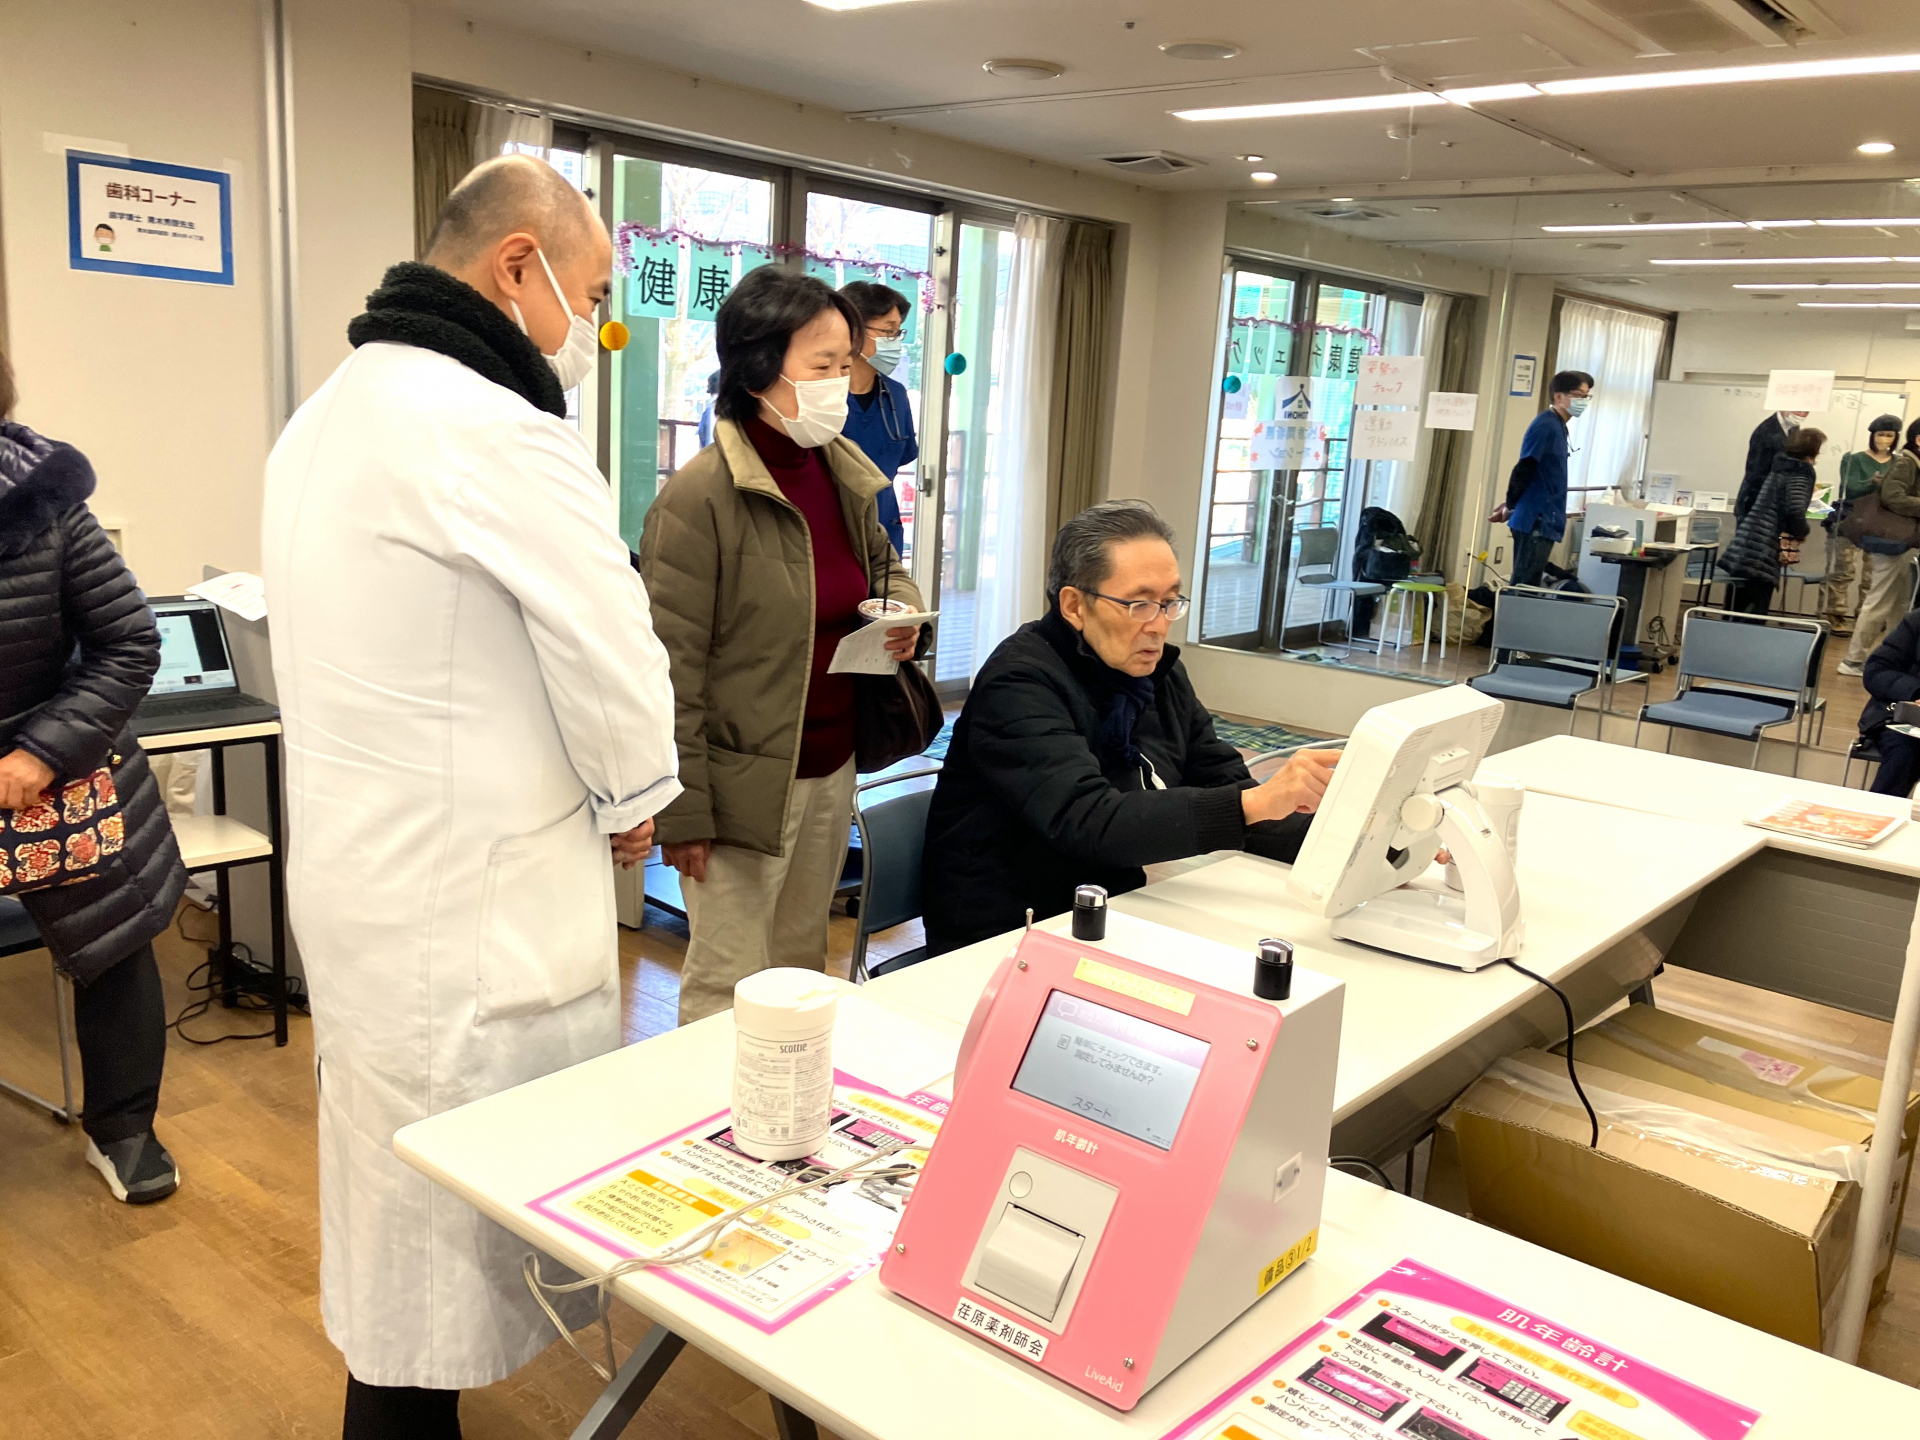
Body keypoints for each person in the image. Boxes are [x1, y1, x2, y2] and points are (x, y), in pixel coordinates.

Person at [261, 155, 681, 1437]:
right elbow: (610, 643)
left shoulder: (325, 413)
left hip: (364, 875)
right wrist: (636, 796)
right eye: (589, 297)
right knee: (442, 1208)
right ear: (516, 264)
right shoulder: (496, 430)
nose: (589, 328)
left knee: (391, 1188)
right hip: (470, 899)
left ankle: (395, 1406)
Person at [641, 266, 925, 1024]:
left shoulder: (842, 473)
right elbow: (669, 673)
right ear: (759, 369)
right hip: (740, 787)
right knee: (727, 985)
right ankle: (709, 1104)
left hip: (832, 766)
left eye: (845, 364)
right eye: (822, 366)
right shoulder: (699, 499)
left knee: (801, 970)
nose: (841, 384)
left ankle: (789, 1098)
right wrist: (685, 813)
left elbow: (887, 569)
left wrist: (902, 613)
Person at [921, 500, 1341, 956]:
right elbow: (1088, 822)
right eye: (1139, 605)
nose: (1159, 626)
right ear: (1074, 605)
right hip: (1005, 934)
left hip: (1110, 913)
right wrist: (1254, 802)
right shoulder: (1019, 682)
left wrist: (1351, 850)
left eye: (1169, 603)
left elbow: (1224, 784)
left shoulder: (1156, 676)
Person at [0, 346, 186, 1205]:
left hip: (55, 773)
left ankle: (124, 1131)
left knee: (114, 943)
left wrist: (42, 751)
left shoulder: (42, 501)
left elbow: (129, 642)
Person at [1488, 370, 1592, 589]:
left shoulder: (1559, 426)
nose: (1583, 401)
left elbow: (1540, 475)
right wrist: (1512, 505)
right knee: (1524, 587)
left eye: (1586, 396)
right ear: (1558, 396)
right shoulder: (1546, 425)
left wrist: (1510, 504)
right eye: (1578, 395)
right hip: (1536, 520)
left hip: (1543, 517)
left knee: (1531, 584)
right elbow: (1525, 467)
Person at [838, 280, 916, 554]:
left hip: (885, 533)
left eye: (897, 333)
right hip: (834, 533)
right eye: (887, 332)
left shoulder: (896, 396)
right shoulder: (822, 396)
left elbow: (900, 456)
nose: (894, 342)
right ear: (853, 330)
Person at [1840, 418, 1920, 677]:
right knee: (1880, 601)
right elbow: (1892, 496)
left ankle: (1895, 660)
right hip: (1894, 543)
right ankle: (1853, 660)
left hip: (1906, 543)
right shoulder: (1907, 463)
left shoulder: (1910, 462)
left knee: (1900, 605)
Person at [1719, 427, 1821, 616]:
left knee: (1737, 604)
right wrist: (1802, 532)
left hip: (1749, 539)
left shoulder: (1780, 467)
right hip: (1766, 545)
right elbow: (1795, 510)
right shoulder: (1801, 472)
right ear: (1812, 451)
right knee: (1756, 607)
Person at [1825, 415, 1903, 636]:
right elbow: (1851, 488)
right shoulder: (1853, 459)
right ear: (1872, 435)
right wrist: (1875, 483)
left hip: (1882, 525)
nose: (1884, 439)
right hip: (1851, 521)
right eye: (1880, 434)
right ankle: (1835, 616)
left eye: (1889, 435)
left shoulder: (1899, 462)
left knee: (1873, 576)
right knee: (1843, 572)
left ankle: (1866, 618)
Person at [1858, 605, 1920, 796]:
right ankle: (1877, 811)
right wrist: (1915, 691)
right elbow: (1876, 671)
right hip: (1908, 719)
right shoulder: (1917, 621)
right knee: (1904, 751)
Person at [1737, 409, 1808, 520]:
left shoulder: (1793, 428)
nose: (1801, 415)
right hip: (1756, 504)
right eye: (1798, 410)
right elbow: (1755, 474)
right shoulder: (1765, 432)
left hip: (1776, 504)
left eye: (1806, 412)